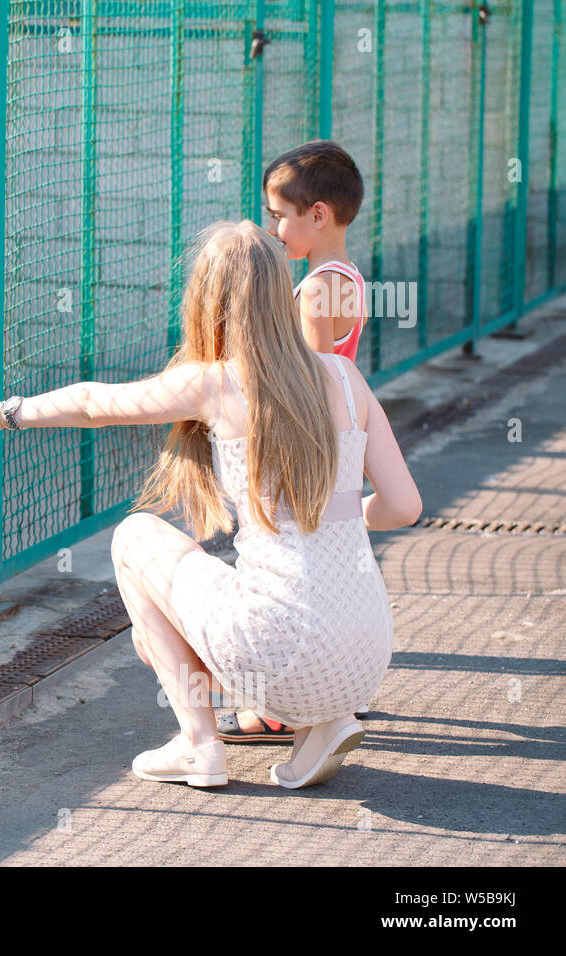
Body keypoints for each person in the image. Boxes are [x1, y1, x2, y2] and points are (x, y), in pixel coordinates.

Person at [0, 220, 421, 789]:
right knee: (287, 611)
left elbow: (94, 404)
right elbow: (404, 506)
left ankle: (198, 744)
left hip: (280, 649)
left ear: (211, 299)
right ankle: (322, 721)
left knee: (135, 539)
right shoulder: (345, 373)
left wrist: (3, 413)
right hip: (367, 655)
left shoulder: (218, 383)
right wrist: (337, 518)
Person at [218, 139, 371, 744]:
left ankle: (280, 707)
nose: (272, 227)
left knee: (285, 579)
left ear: (319, 215)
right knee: (332, 573)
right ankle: (335, 693)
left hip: (307, 452)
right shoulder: (347, 276)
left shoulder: (313, 291)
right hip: (339, 450)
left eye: (280, 215)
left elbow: (310, 381)